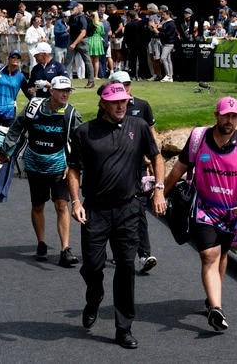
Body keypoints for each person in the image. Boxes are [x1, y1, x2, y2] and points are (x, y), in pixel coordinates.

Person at [67, 82, 166, 350]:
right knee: (92, 267)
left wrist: (159, 190)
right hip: (95, 210)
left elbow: (157, 158)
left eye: (124, 101)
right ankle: (95, 295)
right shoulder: (84, 132)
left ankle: (124, 328)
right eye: (115, 101)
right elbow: (73, 169)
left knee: (125, 267)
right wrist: (75, 201)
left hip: (128, 209)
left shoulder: (139, 127)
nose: (121, 105)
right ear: (103, 103)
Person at [163, 96, 237, 332]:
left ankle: (212, 297)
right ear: (216, 115)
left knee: (223, 254)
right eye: (225, 115)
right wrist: (161, 193)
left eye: (234, 116)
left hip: (230, 212)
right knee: (209, 254)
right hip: (203, 209)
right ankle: (216, 308)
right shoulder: (199, 139)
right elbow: (179, 168)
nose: (229, 120)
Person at [0, 75, 82, 266]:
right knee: (38, 205)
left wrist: (73, 164)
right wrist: (6, 149)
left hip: (59, 167)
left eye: (68, 91)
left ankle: (65, 250)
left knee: (61, 205)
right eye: (61, 90)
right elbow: (16, 127)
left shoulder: (71, 114)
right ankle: (41, 243)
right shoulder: (33, 107)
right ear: (51, 91)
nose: (65, 94)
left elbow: (79, 142)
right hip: (35, 164)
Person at [108, 70, 158, 271]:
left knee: (139, 211)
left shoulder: (142, 105)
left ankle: (144, 255)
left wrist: (154, 163)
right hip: (116, 169)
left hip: (138, 168)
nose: (126, 88)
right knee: (116, 211)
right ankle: (120, 249)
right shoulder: (108, 107)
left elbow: (151, 135)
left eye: (128, 84)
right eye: (121, 84)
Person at [64, 1, 94, 89]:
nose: (70, 10)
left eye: (72, 8)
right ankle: (64, 81)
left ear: (77, 8)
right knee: (67, 62)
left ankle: (91, 81)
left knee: (87, 61)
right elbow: (70, 28)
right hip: (72, 41)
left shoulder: (82, 18)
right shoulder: (72, 17)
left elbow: (83, 33)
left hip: (81, 42)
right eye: (70, 9)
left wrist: (74, 43)